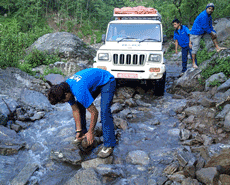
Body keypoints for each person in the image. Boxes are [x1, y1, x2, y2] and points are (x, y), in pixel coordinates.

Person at [47, 68, 116, 158]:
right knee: (80, 106)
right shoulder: (64, 88)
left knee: (104, 111)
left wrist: (91, 132)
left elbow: (94, 112)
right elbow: (75, 110)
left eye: (63, 101)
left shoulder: (78, 90)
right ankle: (82, 134)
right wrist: (78, 130)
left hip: (107, 81)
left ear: (66, 94)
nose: (65, 102)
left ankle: (109, 144)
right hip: (93, 82)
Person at [190, 3, 226, 68]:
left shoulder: (209, 17)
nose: (210, 10)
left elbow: (210, 27)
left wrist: (214, 32)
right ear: (206, 8)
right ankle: (193, 63)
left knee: (213, 34)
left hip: (203, 31)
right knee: (195, 48)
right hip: (196, 32)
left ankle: (217, 47)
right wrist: (211, 33)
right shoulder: (204, 15)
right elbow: (205, 27)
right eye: (209, 8)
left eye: (212, 9)